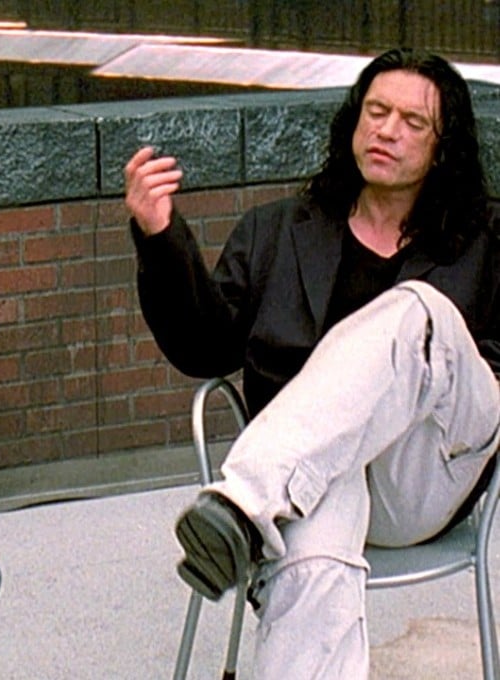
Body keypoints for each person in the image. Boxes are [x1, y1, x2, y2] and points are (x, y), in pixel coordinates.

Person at [125, 48, 500, 678]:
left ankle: (241, 506)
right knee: (309, 566)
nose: (386, 129)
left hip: (429, 469)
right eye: (376, 111)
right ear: (354, 121)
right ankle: (256, 509)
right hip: (318, 483)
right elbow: (204, 350)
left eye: (412, 122)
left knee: (416, 311)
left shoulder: (487, 238)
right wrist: (161, 239)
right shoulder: (277, 230)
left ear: (444, 148)